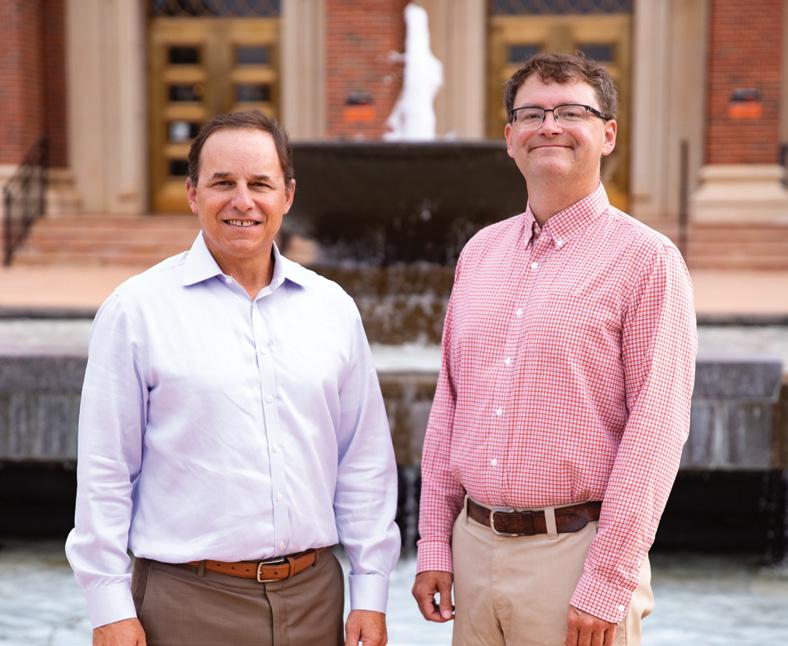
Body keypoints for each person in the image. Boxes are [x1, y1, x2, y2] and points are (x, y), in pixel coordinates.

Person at [66, 110, 400, 646]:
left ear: (287, 196)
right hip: (186, 603)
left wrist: (370, 591)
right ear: (192, 193)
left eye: (260, 184)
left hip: (315, 600)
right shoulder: (136, 311)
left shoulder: (332, 308)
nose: (242, 201)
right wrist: (108, 606)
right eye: (223, 183)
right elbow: (106, 471)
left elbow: (363, 462)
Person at [412, 52, 697, 646]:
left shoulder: (647, 260)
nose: (549, 126)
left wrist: (607, 579)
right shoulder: (479, 254)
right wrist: (435, 543)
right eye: (532, 114)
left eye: (571, 112)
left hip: (575, 557)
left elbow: (656, 429)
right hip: (473, 549)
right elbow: (449, 409)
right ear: (509, 138)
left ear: (607, 134)